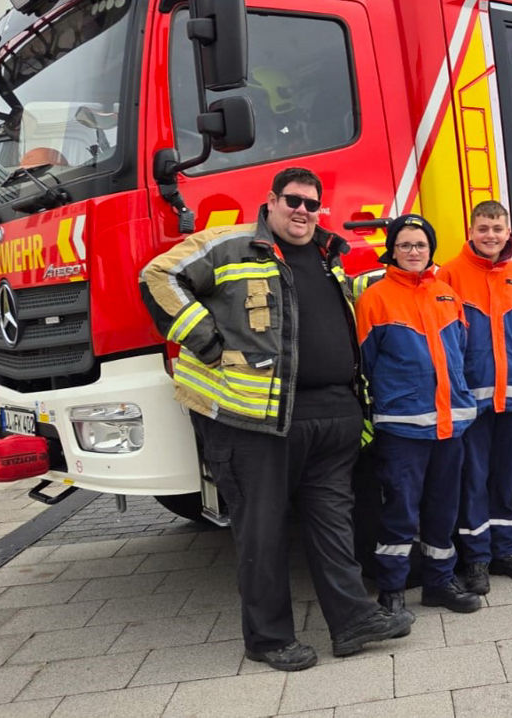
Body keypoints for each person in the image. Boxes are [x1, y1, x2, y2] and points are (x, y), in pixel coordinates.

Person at [139, 167, 412, 672]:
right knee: (261, 533)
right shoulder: (228, 244)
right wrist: (206, 340)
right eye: (294, 201)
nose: (303, 211)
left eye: (312, 203)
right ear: (270, 201)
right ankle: (267, 639)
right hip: (255, 421)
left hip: (331, 418)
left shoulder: (330, 256)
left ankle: (353, 621)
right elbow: (158, 276)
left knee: (334, 524)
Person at [356, 214, 483, 614]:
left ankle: (439, 583)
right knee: (399, 512)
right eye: (406, 245)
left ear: (431, 250)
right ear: (392, 250)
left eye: (421, 245)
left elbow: (459, 353)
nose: (414, 252)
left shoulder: (446, 294)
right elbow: (365, 364)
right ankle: (392, 591)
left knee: (442, 509)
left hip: (451, 424)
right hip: (403, 428)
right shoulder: (374, 298)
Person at [437, 201, 512, 595]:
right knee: (474, 480)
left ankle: (505, 551)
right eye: (483, 228)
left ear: (507, 232)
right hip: (471, 401)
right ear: (471, 230)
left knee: (506, 480)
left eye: (497, 229)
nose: (491, 236)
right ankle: (476, 559)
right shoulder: (449, 274)